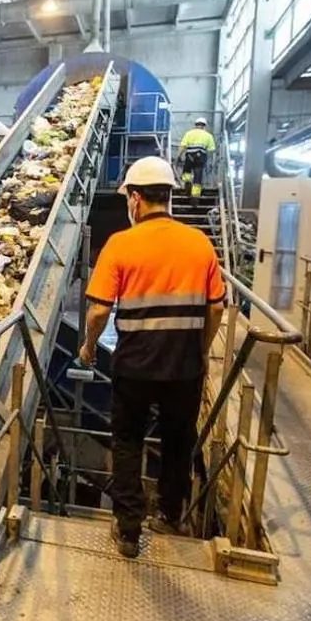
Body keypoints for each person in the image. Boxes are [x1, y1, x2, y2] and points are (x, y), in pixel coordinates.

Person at [78, 156, 225, 558]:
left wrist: (90, 346)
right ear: (170, 197)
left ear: (136, 198)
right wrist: (202, 348)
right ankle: (170, 513)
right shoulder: (199, 243)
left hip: (135, 364)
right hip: (184, 365)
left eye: (129, 197)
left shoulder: (121, 244)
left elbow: (98, 310)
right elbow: (216, 308)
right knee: (179, 440)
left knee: (127, 441)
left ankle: (128, 530)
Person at [177, 117, 216, 199]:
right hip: (201, 157)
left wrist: (179, 156)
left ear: (195, 125)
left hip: (189, 156)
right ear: (204, 126)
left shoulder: (189, 133)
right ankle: (195, 196)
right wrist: (207, 160)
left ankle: (187, 184)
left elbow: (183, 146)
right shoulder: (208, 136)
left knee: (187, 172)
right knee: (198, 176)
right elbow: (211, 150)